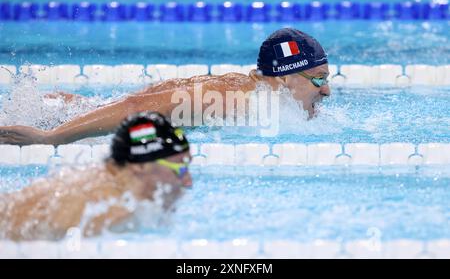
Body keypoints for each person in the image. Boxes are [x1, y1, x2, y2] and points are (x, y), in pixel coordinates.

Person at [0, 27, 331, 145]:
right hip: (103, 123)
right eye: (319, 79)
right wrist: (52, 138)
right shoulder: (238, 99)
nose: (326, 90)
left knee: (81, 107)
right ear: (285, 79)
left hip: (90, 109)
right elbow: (136, 110)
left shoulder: (259, 92)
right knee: (60, 119)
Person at [0, 111, 192, 241]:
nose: (188, 182)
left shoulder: (103, 180)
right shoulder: (109, 212)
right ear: (140, 166)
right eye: (181, 169)